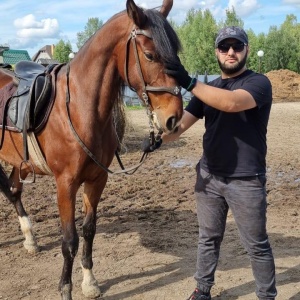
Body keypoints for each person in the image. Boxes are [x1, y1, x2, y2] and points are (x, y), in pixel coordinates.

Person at [143, 26, 277, 300]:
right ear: (217, 52)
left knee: (256, 245)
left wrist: (190, 82)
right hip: (209, 178)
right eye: (224, 47)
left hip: (246, 180)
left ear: (246, 49)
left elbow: (231, 104)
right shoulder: (210, 87)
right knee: (208, 238)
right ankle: (202, 291)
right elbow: (181, 127)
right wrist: (160, 138)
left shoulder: (259, 83)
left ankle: (266, 296)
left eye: (237, 46)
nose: (231, 52)